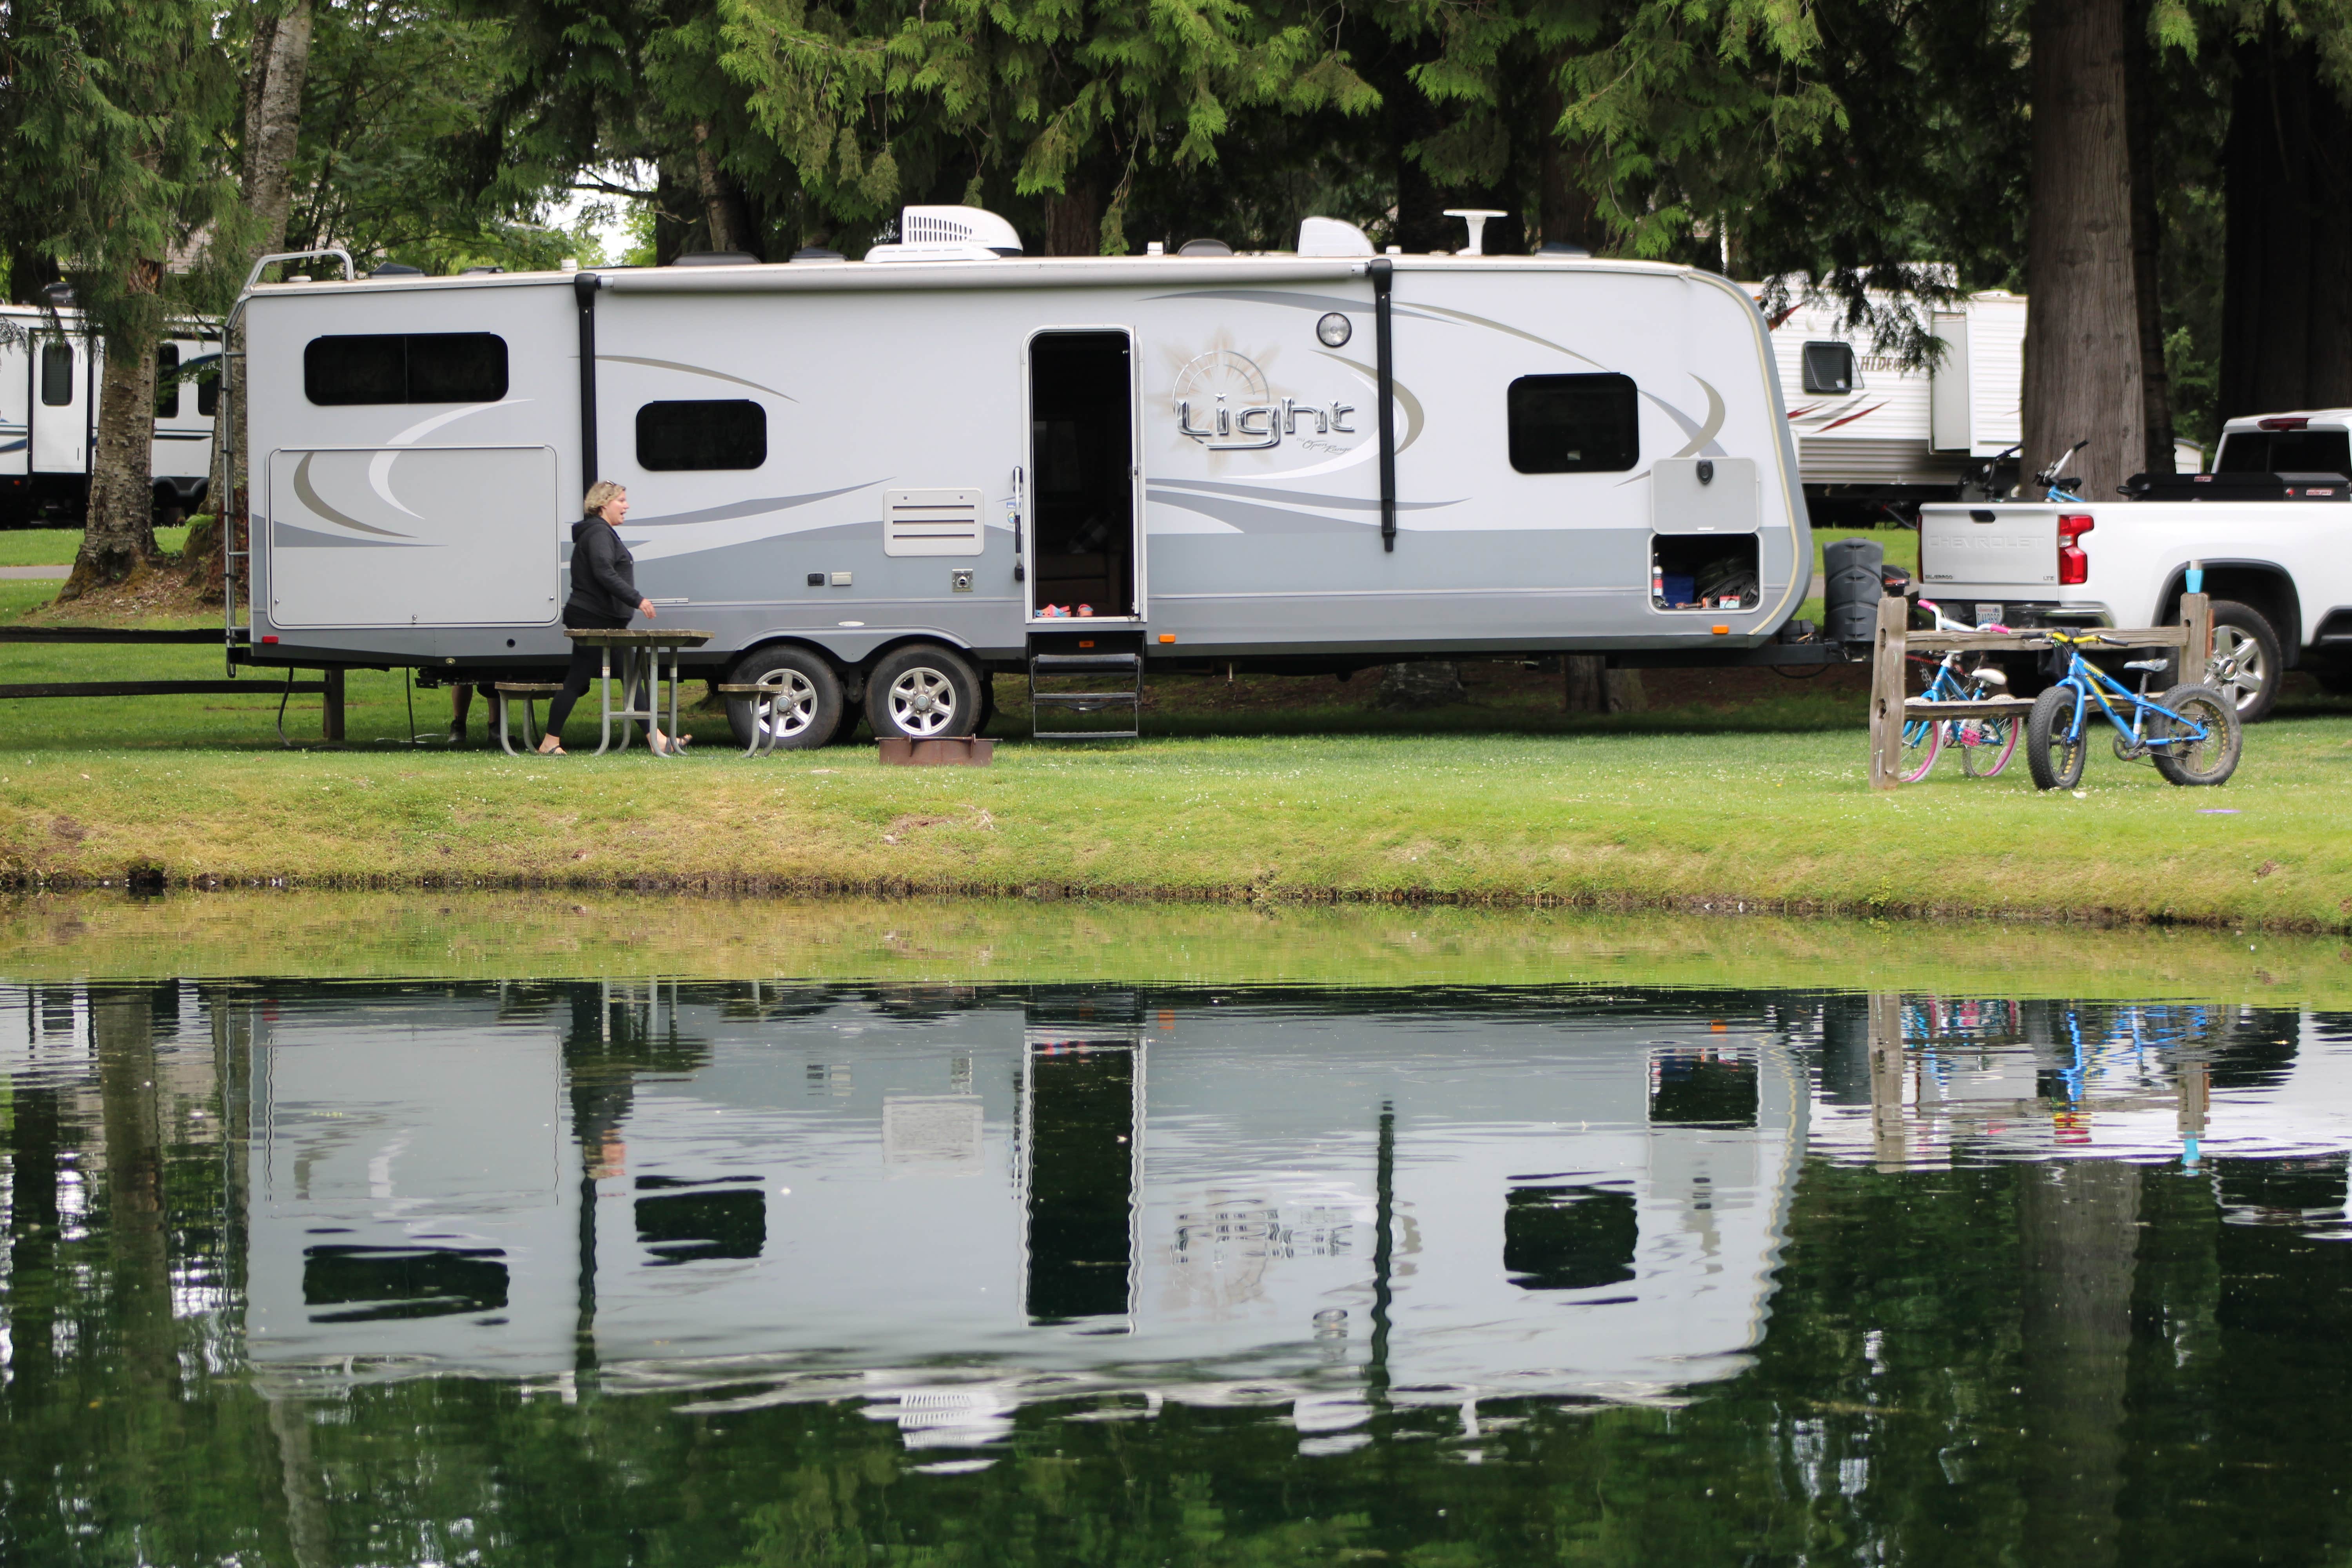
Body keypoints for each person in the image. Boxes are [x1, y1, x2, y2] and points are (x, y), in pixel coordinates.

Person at [538, 481, 690, 755]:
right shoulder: (598, 533)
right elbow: (603, 572)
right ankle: (549, 743)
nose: (626, 506)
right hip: (593, 621)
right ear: (603, 504)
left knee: (631, 676)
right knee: (578, 679)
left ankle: (657, 739)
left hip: (604, 621)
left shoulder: (602, 533)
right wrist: (638, 600)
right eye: (621, 500)